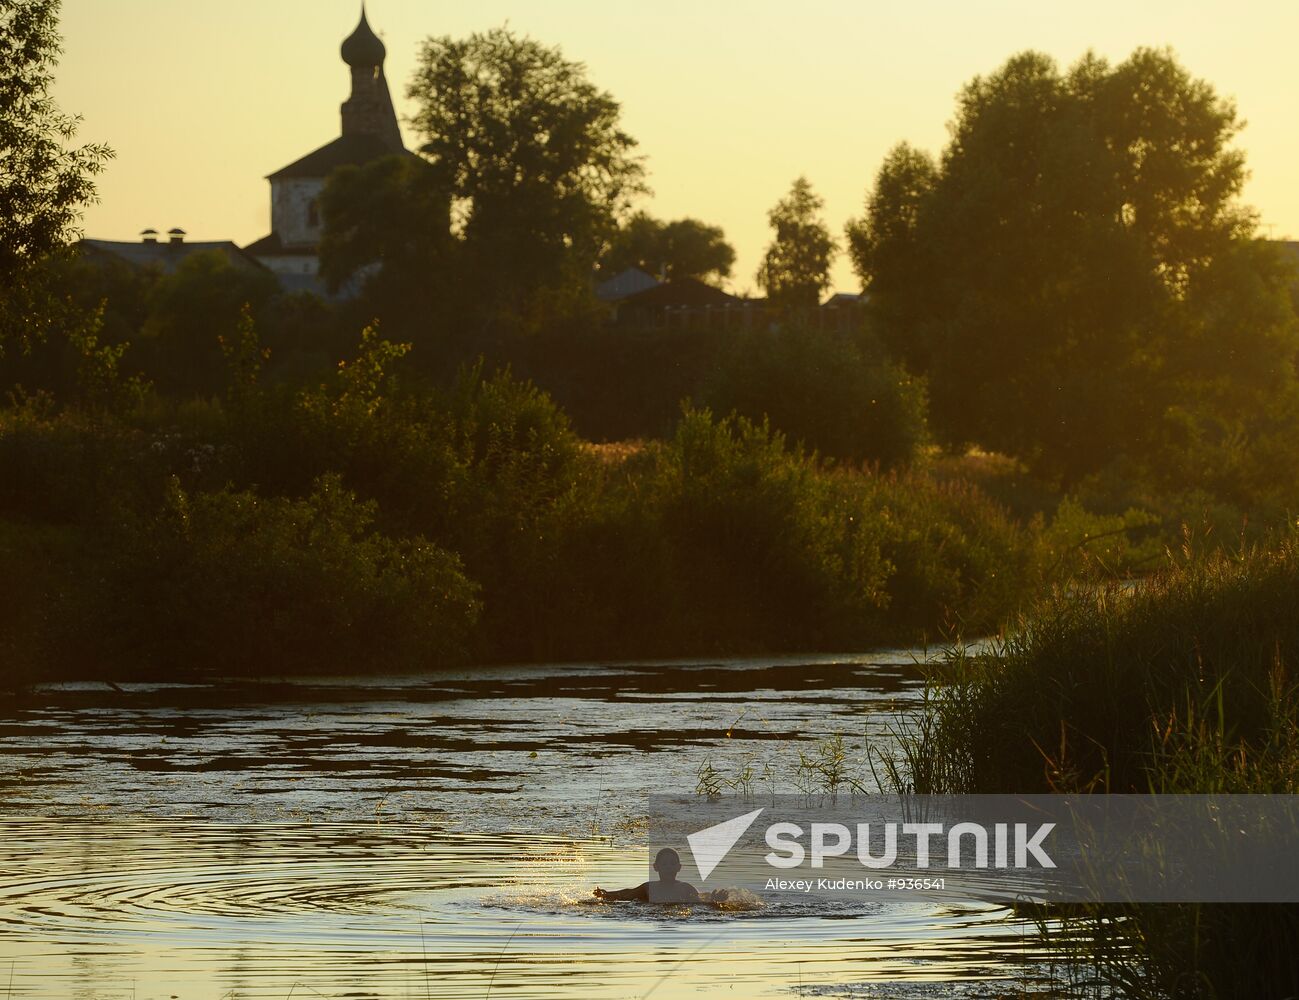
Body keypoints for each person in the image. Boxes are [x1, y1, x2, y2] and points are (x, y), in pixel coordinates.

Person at [593, 847, 706, 903]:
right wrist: (605, 894)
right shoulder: (649, 888)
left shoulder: (685, 888)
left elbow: (703, 899)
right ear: (656, 867)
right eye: (664, 864)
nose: (668, 867)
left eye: (672, 863)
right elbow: (627, 894)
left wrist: (716, 898)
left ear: (678, 867)